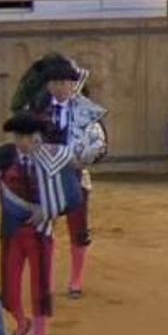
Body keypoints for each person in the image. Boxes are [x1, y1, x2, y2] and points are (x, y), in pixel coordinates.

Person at [0, 114, 75, 335]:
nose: (23, 142)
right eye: (19, 137)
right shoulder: (3, 157)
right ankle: (21, 323)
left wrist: (49, 210)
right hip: (12, 232)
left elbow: (72, 197)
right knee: (8, 292)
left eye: (28, 137)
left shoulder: (52, 157)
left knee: (40, 291)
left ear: (38, 137)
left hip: (40, 234)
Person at [28, 58, 106, 299]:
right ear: (48, 85)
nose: (61, 87)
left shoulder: (86, 110)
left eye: (65, 82)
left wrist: (84, 160)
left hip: (76, 173)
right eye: (55, 82)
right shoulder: (38, 109)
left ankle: (75, 280)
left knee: (78, 227)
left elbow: (102, 147)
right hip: (45, 174)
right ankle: (45, 280)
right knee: (44, 226)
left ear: (73, 84)